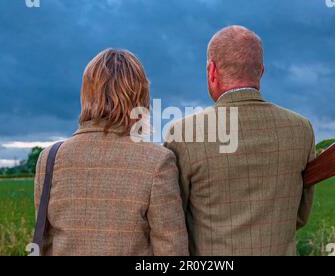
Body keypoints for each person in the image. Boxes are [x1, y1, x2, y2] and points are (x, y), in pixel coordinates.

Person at [165, 26, 316, 256]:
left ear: (212, 70)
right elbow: (300, 215)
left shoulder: (183, 134)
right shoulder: (301, 129)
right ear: (261, 71)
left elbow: (174, 224)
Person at [34, 49, 188, 256]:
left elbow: (45, 244)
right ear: (140, 97)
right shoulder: (157, 161)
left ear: (86, 94)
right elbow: (171, 250)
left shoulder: (50, 158)